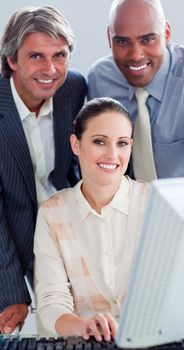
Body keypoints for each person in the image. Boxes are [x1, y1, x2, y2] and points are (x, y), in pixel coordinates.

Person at [0, 5, 87, 334]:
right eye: (36, 56)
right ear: (12, 60)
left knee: (78, 330)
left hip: (63, 228)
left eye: (60, 55)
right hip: (9, 231)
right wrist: (9, 290)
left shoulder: (75, 89)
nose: (50, 69)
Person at [34, 97, 150, 340]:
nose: (112, 155)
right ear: (75, 144)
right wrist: (82, 326)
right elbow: (51, 300)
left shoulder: (155, 204)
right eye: (99, 142)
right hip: (83, 343)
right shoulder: (52, 213)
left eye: (122, 143)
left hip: (149, 340)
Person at [87, 0, 184, 180]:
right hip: (125, 203)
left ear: (167, 33)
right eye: (123, 42)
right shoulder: (101, 79)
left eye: (148, 40)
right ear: (109, 38)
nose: (136, 55)